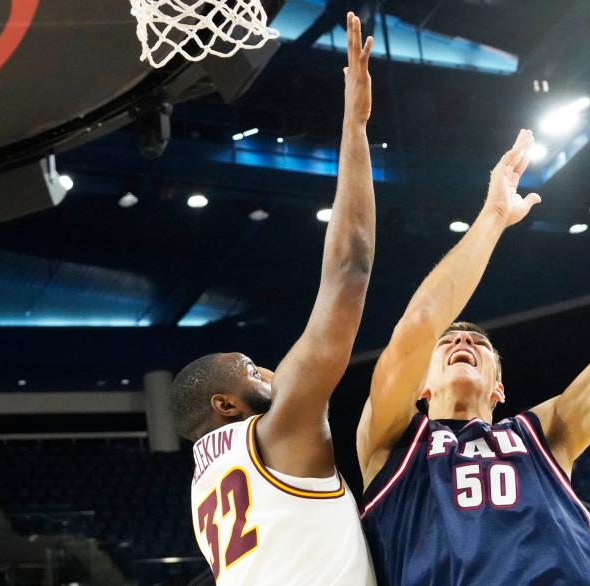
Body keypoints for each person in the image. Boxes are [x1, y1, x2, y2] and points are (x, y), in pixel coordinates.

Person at [357, 120, 590, 584]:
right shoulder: (390, 442)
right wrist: (493, 217)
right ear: (421, 385)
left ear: (499, 387)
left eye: (478, 342)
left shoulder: (545, 434)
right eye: (448, 340)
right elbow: (418, 326)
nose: (462, 340)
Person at [172, 13, 377, 585]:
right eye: (248, 369)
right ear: (226, 404)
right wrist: (354, 125)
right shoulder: (278, 430)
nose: (265, 367)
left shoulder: (202, 490)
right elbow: (351, 270)